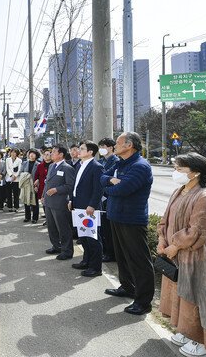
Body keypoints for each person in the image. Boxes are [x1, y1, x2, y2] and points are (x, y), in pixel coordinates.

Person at [158, 153, 206, 356]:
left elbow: (197, 231)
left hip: (198, 256)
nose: (175, 172)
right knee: (182, 294)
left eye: (180, 169)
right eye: (175, 168)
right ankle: (187, 331)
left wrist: (174, 246)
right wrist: (161, 240)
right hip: (178, 255)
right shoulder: (178, 191)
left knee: (200, 295)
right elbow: (165, 220)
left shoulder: (205, 197)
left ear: (195, 173)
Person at [101, 132, 154, 315]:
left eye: (118, 143)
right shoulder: (118, 163)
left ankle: (143, 301)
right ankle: (127, 287)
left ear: (129, 145)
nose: (115, 145)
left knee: (138, 260)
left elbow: (123, 189)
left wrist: (110, 186)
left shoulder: (140, 166)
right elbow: (102, 178)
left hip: (132, 219)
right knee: (122, 256)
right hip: (116, 215)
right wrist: (110, 182)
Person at [69, 141, 104, 277]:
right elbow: (76, 185)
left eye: (82, 149)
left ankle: (96, 268)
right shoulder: (80, 164)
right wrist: (71, 200)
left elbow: (98, 189)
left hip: (89, 208)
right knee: (83, 236)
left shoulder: (97, 167)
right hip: (78, 206)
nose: (79, 151)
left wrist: (92, 205)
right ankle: (86, 261)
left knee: (93, 238)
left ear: (90, 152)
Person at [43, 145, 75, 260]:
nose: (51, 154)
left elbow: (70, 186)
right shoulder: (51, 166)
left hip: (60, 202)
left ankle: (67, 251)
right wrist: (43, 196)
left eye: (53, 152)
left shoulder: (67, 168)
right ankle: (56, 246)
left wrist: (57, 190)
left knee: (63, 228)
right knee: (51, 227)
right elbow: (47, 183)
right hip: (49, 201)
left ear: (61, 154)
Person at [98, 137, 119, 262]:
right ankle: (105, 250)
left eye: (103, 147)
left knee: (108, 228)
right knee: (103, 227)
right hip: (101, 196)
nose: (101, 150)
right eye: (100, 147)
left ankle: (110, 253)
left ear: (111, 148)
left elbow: (109, 179)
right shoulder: (101, 161)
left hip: (109, 197)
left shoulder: (115, 161)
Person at [21, 149, 40, 223]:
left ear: (36, 155)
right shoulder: (24, 163)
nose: (31, 155)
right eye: (30, 154)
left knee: (34, 202)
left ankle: (35, 218)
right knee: (26, 202)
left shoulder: (38, 164)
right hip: (26, 184)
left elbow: (39, 176)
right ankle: (27, 217)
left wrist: (37, 184)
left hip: (34, 185)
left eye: (33, 154)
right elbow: (21, 172)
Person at [35, 148, 52, 224]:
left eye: (48, 154)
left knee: (51, 205)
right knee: (44, 203)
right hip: (42, 188)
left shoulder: (54, 165)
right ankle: (48, 219)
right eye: (44, 154)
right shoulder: (40, 166)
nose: (45, 156)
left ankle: (51, 219)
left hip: (51, 188)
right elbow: (36, 176)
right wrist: (35, 185)